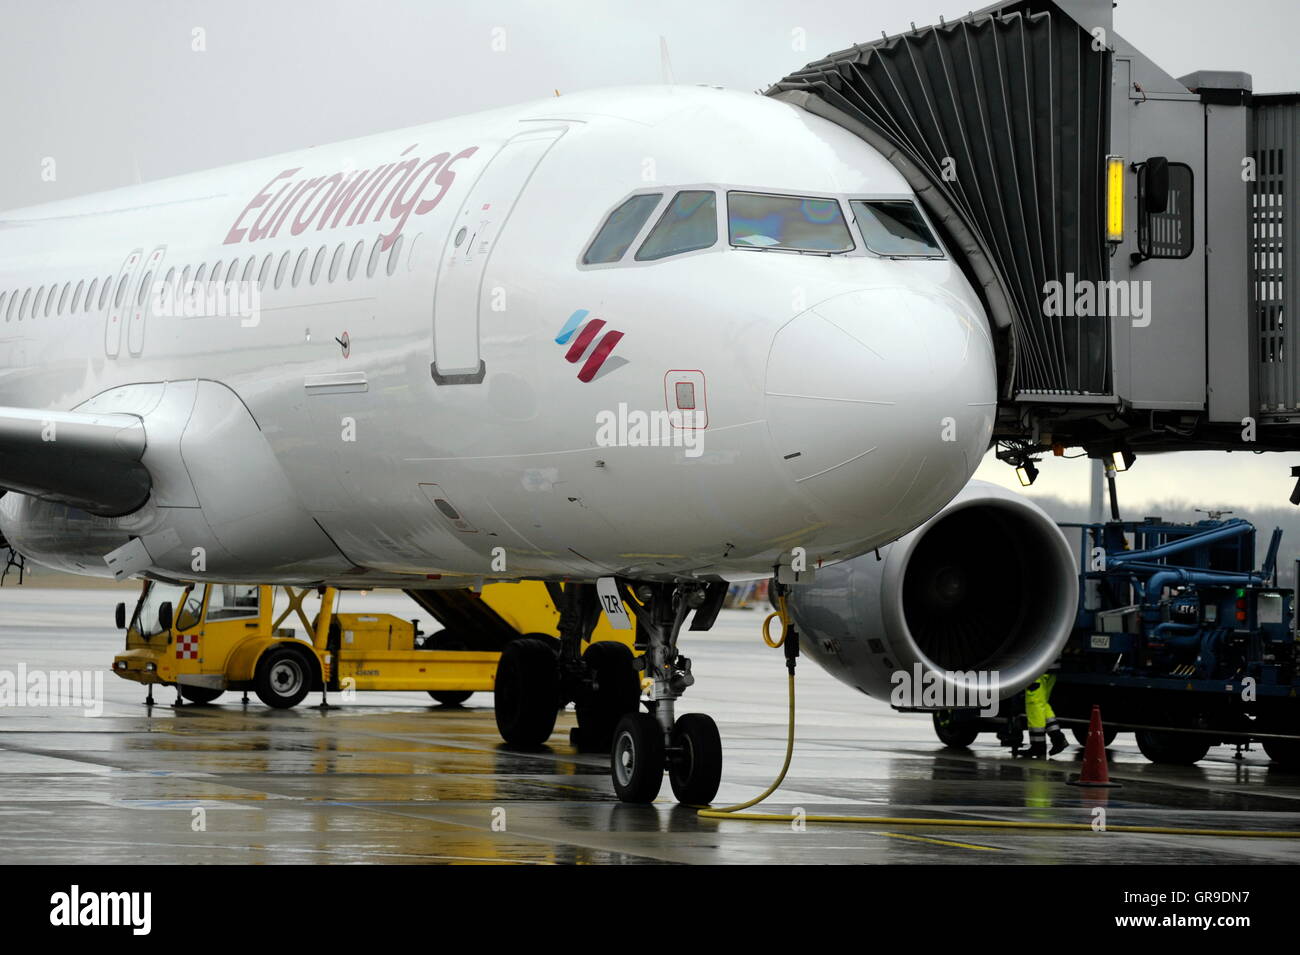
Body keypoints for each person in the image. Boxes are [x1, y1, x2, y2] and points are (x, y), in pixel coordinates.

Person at [1018, 670, 1069, 758]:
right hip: (1050, 668)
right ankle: (1058, 739)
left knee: (1034, 705)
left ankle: (1038, 746)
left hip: (1038, 670)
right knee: (1042, 704)